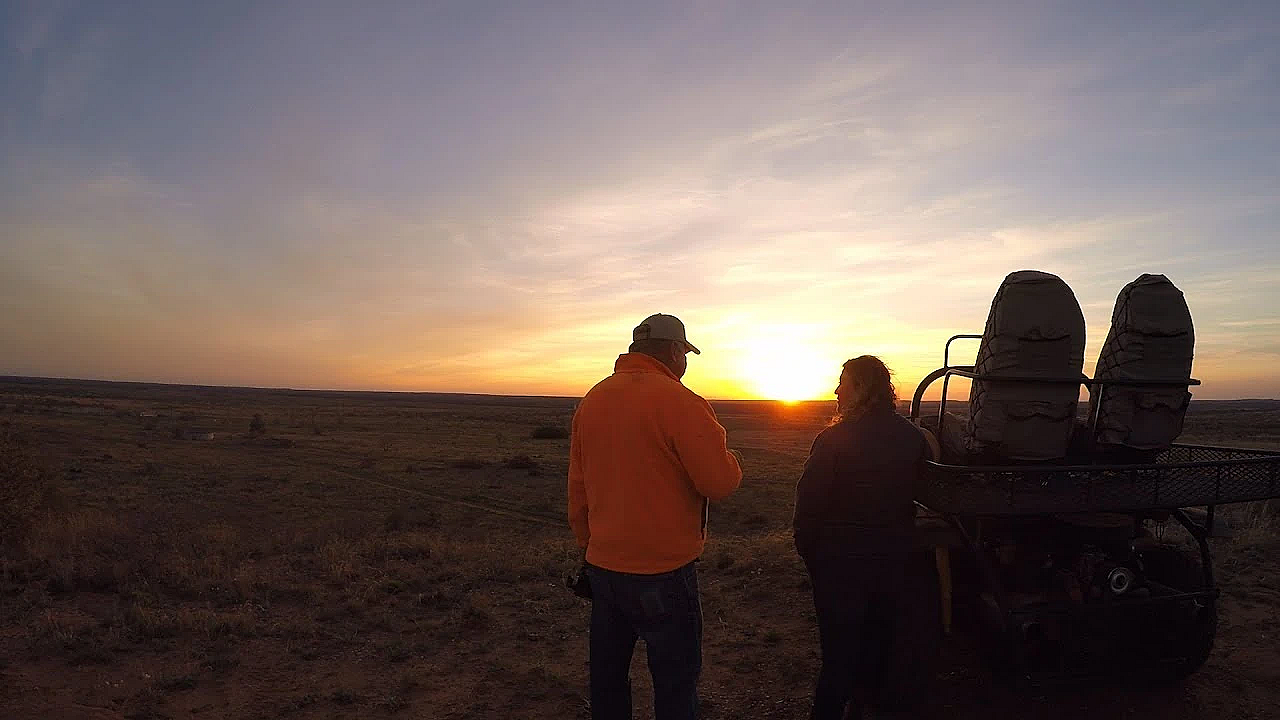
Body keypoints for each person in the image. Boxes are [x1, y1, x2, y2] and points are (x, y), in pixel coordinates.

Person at [568, 313, 743, 720]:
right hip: (663, 571)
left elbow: (577, 488)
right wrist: (732, 459)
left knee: (608, 679)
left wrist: (589, 548)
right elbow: (718, 483)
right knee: (675, 680)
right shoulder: (681, 401)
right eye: (685, 353)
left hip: (604, 566)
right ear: (673, 351)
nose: (685, 363)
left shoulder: (594, 399)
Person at [793, 356, 928, 720]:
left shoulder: (832, 440)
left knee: (838, 657)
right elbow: (923, 497)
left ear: (862, 389)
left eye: (844, 382)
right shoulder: (913, 438)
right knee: (878, 648)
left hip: (839, 567)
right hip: (891, 563)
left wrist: (813, 556)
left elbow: (808, 507)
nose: (836, 390)